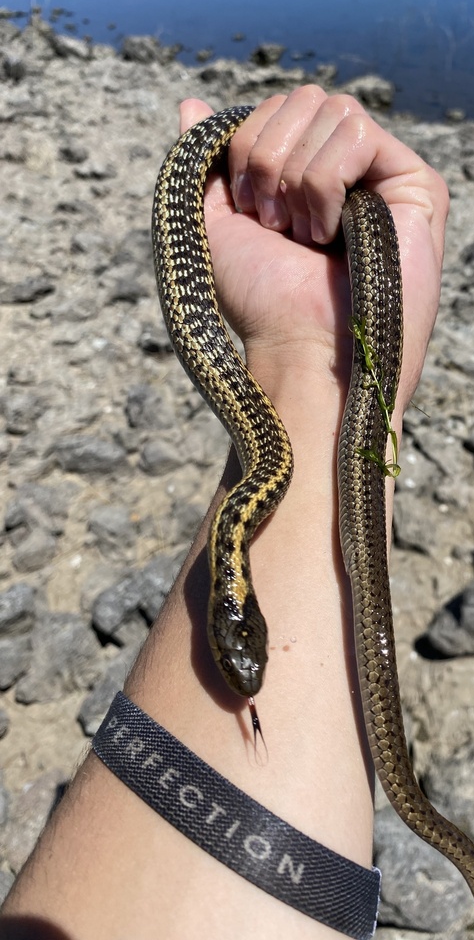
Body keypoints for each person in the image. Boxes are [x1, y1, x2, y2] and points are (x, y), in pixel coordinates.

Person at [0, 87, 448, 939]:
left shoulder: (254, 504)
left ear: (228, 603)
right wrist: (305, 351)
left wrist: (316, 350)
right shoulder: (249, 509)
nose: (247, 668)